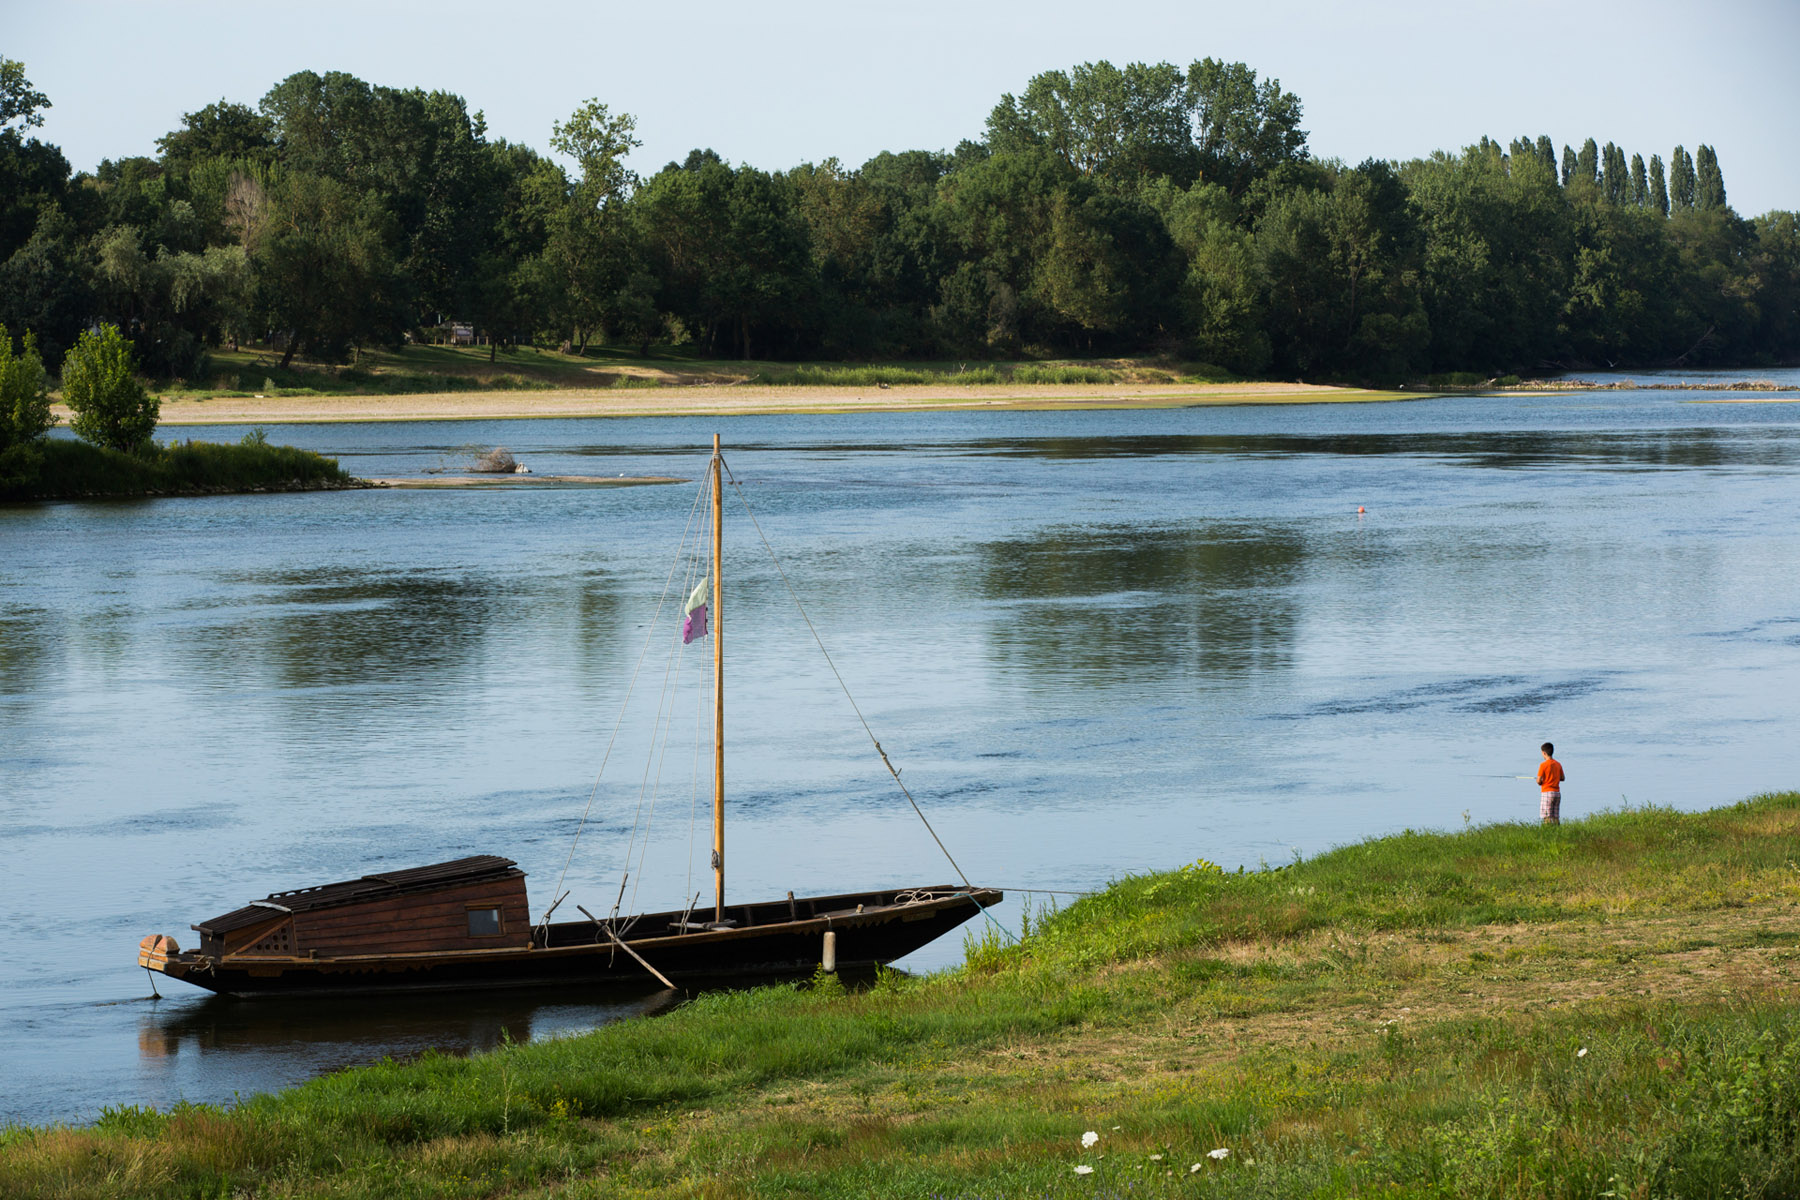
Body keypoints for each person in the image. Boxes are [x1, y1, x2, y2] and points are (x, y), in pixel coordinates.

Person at [1536, 742, 1566, 825]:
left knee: (1547, 816)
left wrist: (1541, 781)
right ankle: (1558, 831)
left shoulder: (1543, 765)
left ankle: (1547, 832)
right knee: (1556, 816)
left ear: (1544, 753)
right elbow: (1563, 778)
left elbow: (1538, 781)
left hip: (1547, 793)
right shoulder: (1558, 764)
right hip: (1557, 793)